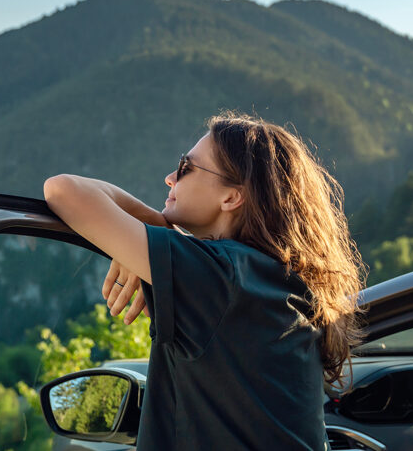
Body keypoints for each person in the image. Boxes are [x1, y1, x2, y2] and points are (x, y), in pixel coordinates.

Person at [44, 112, 366, 450]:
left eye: (186, 168)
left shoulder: (221, 276)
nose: (170, 178)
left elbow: (63, 191)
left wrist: (157, 229)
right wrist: (156, 237)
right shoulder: (275, 281)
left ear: (231, 197)